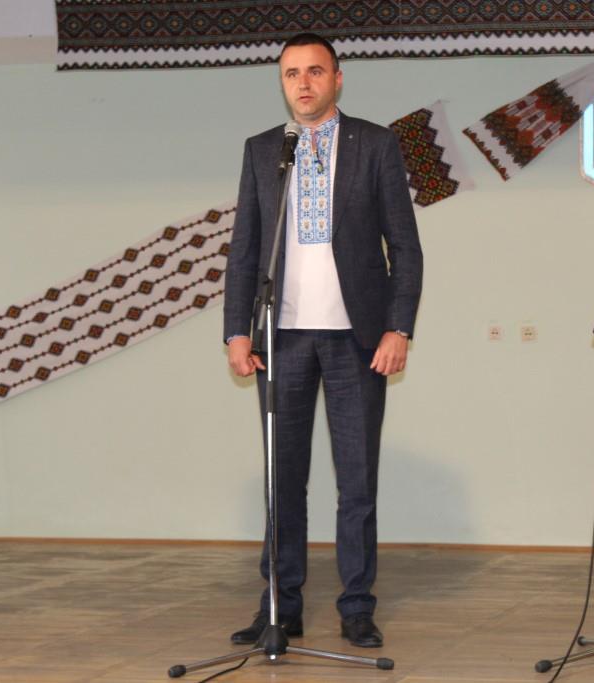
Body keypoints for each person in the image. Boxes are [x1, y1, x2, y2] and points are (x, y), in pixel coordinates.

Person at [222, 33, 423, 649]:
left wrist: (398, 327)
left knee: (356, 483)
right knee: (282, 480)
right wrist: (236, 330)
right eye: (291, 74)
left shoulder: (375, 144)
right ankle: (280, 606)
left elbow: (405, 246)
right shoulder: (264, 150)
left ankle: (357, 606)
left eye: (314, 71)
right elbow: (244, 249)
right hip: (280, 340)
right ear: (282, 83)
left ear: (337, 78)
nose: (303, 83)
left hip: (357, 341)